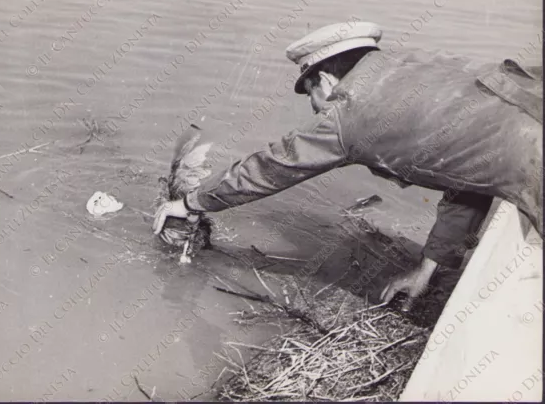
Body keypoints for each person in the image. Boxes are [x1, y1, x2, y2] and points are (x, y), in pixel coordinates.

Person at [153, 21, 543, 311]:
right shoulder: (414, 65)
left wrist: (190, 203)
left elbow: (275, 165)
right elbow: (467, 177)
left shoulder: (349, 114)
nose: (314, 108)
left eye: (311, 95)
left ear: (323, 79)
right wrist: (426, 272)